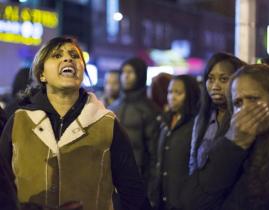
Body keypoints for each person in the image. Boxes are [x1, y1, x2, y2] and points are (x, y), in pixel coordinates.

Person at [0, 36, 151, 210]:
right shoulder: (18, 120)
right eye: (57, 55)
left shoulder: (107, 123)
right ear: (42, 74)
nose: (68, 58)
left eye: (74, 55)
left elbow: (133, 193)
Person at [180, 64, 269, 210]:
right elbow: (193, 202)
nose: (244, 110)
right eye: (238, 103)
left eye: (253, 99)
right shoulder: (230, 145)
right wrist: (233, 145)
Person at [188, 52, 246, 175]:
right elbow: (192, 165)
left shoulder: (243, 118)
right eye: (211, 79)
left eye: (224, 79)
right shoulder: (202, 119)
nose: (215, 86)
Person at [150, 75, 200, 210]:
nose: (172, 97)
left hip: (183, 202)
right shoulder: (164, 121)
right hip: (161, 201)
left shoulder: (196, 125)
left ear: (190, 95)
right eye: (170, 92)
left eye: (178, 93)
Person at [109, 57, 160, 188]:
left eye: (131, 72)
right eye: (124, 72)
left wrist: (152, 187)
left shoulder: (149, 110)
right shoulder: (113, 107)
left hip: (138, 178)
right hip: (111, 176)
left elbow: (154, 153)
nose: (126, 76)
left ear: (140, 75)